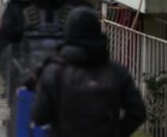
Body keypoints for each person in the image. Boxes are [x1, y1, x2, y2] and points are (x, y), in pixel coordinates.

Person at [0, 0, 90, 135]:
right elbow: (2, 48)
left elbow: (91, 47)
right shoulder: (19, 5)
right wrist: (21, 76)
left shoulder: (78, 6)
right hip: (27, 91)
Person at [31, 7, 146, 137]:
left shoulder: (54, 72)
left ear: (68, 34)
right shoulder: (116, 72)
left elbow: (39, 117)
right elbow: (138, 113)